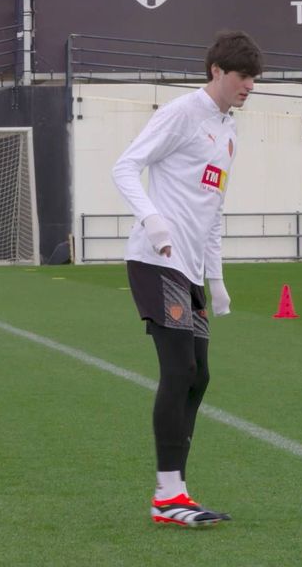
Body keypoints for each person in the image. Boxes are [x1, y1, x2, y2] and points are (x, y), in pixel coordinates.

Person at [111, 30, 263, 527]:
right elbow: (125, 167)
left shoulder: (229, 131)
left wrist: (215, 278)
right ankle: (167, 496)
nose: (250, 86)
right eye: (243, 76)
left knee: (199, 376)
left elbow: (213, 209)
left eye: (254, 79)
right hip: (156, 260)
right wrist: (152, 220)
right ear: (217, 71)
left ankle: (175, 492)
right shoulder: (181, 113)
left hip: (189, 269)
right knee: (179, 371)